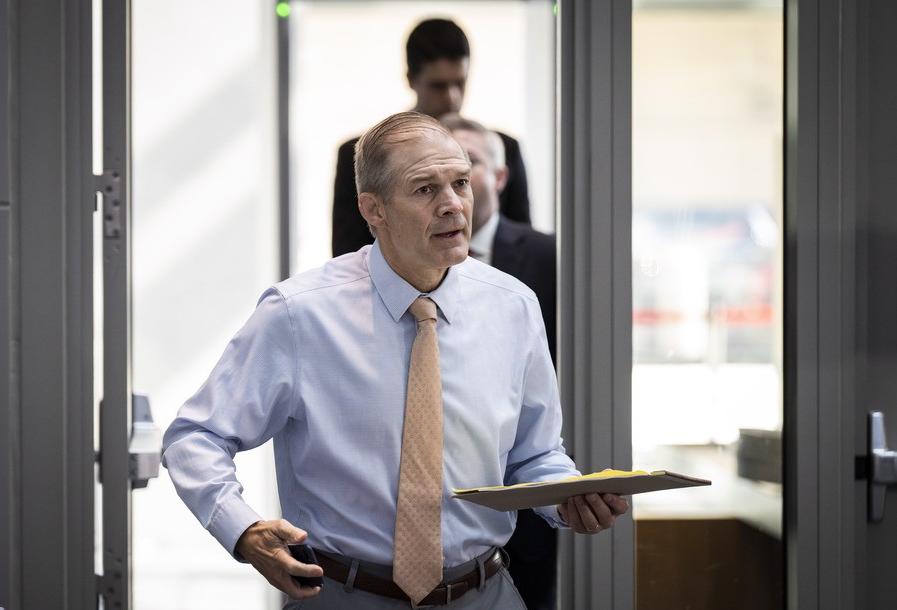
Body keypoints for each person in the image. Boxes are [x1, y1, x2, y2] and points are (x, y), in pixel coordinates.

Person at [162, 111, 628, 609]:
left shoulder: (513, 306)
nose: (453, 205)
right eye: (425, 189)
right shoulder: (298, 315)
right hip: (345, 594)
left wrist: (567, 499)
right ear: (373, 210)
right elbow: (196, 436)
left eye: (461, 182)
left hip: (486, 594)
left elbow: (534, 455)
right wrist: (245, 531)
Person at [442, 114, 558, 609]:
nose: (450, 196)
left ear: (498, 178)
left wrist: (562, 490)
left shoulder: (545, 266)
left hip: (528, 501)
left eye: (465, 171)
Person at [332, 18, 532, 257]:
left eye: (460, 82)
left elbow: (522, 245)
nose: (452, 97)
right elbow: (350, 253)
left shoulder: (503, 147)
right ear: (411, 80)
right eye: (438, 86)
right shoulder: (362, 154)